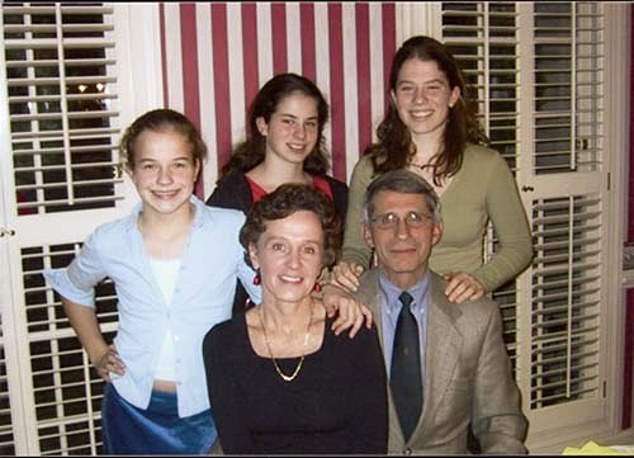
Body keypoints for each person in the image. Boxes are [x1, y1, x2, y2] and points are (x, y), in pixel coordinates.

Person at [42, 108, 264, 454]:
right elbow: (72, 287)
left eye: (178, 164)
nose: (164, 179)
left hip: (212, 407)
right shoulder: (109, 240)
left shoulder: (230, 228)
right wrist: (96, 350)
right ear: (131, 171)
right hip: (131, 407)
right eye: (150, 166)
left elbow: (269, 295)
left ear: (196, 168)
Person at [331, 35, 533, 304]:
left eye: (433, 88)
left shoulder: (488, 166)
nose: (419, 99)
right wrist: (350, 268)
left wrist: (480, 281)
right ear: (394, 97)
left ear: (453, 96)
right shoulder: (370, 169)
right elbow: (356, 248)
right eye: (407, 88)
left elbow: (519, 247)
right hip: (391, 312)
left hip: (461, 314)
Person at [348, 169, 528, 454]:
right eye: (388, 220)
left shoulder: (476, 317)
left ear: (436, 231)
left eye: (416, 218)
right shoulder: (340, 310)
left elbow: (500, 423)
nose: (402, 233)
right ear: (367, 234)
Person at [203, 184, 388, 455]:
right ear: (254, 253)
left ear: (323, 260)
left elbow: (371, 445)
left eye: (309, 249)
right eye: (279, 247)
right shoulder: (222, 344)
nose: (294, 263)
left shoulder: (352, 331)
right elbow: (239, 449)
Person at [207, 72, 349, 317]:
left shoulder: (337, 195)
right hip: (258, 333)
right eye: (288, 121)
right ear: (263, 125)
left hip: (324, 329)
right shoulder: (232, 198)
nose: (301, 134)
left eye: (310, 123)